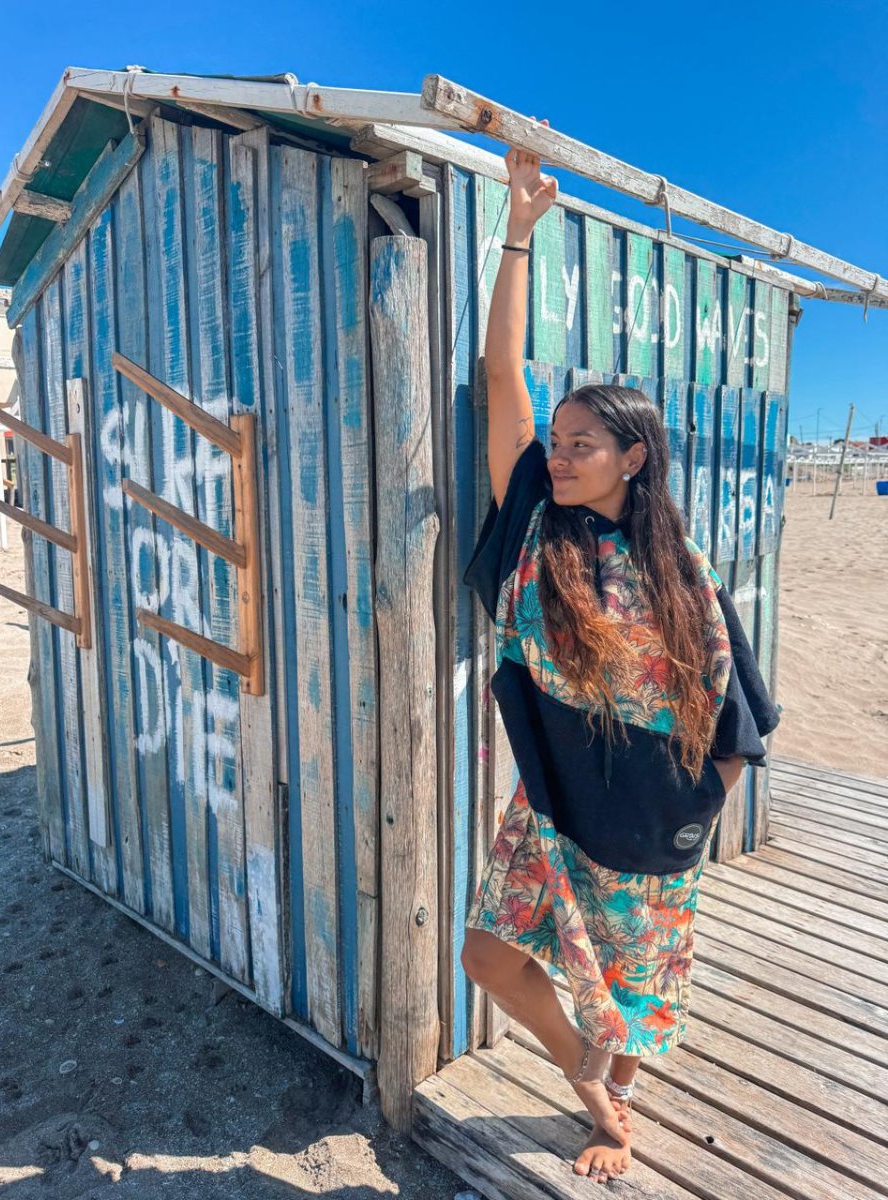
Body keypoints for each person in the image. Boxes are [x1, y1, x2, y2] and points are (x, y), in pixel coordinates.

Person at [459, 123, 780, 1185]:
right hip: (552, 805)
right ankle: (590, 1086)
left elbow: (741, 719)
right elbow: (499, 372)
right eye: (555, 441)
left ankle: (614, 1108)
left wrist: (692, 816)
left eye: (582, 444)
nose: (558, 455)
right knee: (488, 957)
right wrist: (517, 230)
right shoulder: (533, 527)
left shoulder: (683, 575)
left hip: (650, 826)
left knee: (633, 1001)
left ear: (633, 457)